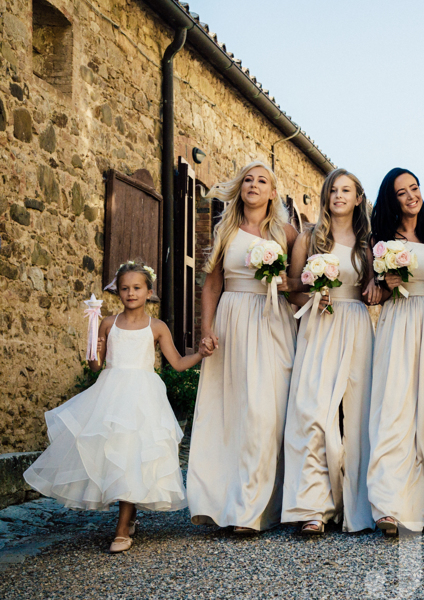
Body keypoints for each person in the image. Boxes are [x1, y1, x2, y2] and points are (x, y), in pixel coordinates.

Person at [24, 260, 209, 553]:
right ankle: (127, 514)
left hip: (143, 398)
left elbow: (177, 363)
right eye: (125, 288)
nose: (131, 293)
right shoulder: (108, 323)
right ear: (117, 293)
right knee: (115, 452)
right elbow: (97, 367)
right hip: (110, 396)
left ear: (149, 292)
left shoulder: (157, 327)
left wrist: (199, 354)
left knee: (133, 452)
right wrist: (94, 353)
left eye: (137, 288)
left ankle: (123, 527)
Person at [187, 161, 299, 533]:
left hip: (272, 323)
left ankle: (256, 508)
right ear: (241, 189)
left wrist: (289, 284)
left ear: (272, 192)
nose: (253, 185)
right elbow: (211, 285)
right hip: (232, 322)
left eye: (262, 180)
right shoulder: (228, 231)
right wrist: (206, 330)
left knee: (265, 415)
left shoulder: (287, 233)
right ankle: (224, 502)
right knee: (231, 414)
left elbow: (302, 281)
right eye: (248, 180)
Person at [282, 168, 380, 534]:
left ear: (358, 198)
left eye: (346, 190)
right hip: (319, 326)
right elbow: (291, 289)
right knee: (312, 412)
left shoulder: (368, 245)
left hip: (355, 323)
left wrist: (378, 288)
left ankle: (357, 505)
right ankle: (313, 506)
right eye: (333, 190)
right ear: (326, 196)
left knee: (356, 416)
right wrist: (312, 293)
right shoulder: (309, 238)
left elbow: (374, 292)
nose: (339, 196)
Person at [366, 168, 424, 536]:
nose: (411, 196)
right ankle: (389, 504)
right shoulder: (381, 240)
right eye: (401, 192)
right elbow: (375, 295)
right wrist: (384, 283)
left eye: (414, 188)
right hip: (399, 321)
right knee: (395, 406)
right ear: (391, 199)